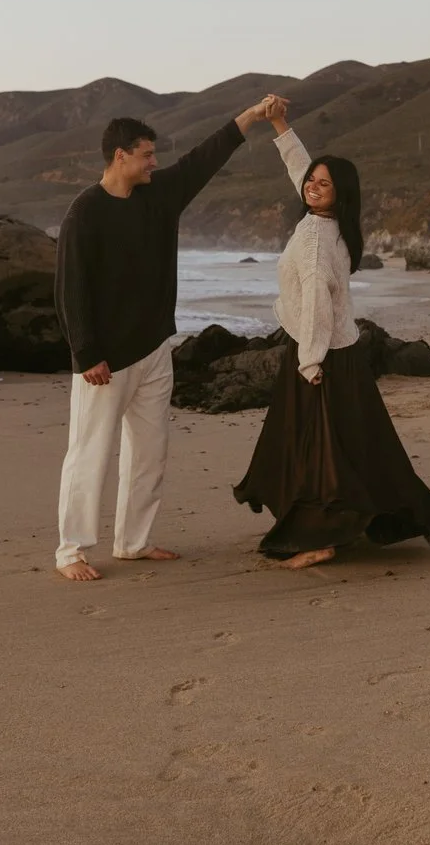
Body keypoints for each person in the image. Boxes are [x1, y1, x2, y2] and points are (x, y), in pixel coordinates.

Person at [53, 97, 280, 581]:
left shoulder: (160, 195)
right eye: (147, 154)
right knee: (90, 451)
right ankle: (70, 550)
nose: (155, 162)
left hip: (155, 348)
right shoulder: (85, 212)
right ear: (121, 156)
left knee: (150, 452)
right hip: (105, 361)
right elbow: (70, 288)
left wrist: (252, 116)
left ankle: (133, 541)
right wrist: (86, 353)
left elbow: (207, 156)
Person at [234, 98, 430, 567]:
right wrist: (279, 125)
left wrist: (310, 360)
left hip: (324, 356)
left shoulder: (315, 238)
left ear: (341, 193)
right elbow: (301, 169)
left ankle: (321, 538)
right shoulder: (334, 225)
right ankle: (367, 522)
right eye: (312, 182)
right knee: (359, 445)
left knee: (317, 452)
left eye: (324, 185)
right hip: (345, 352)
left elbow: (316, 300)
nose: (313, 188)